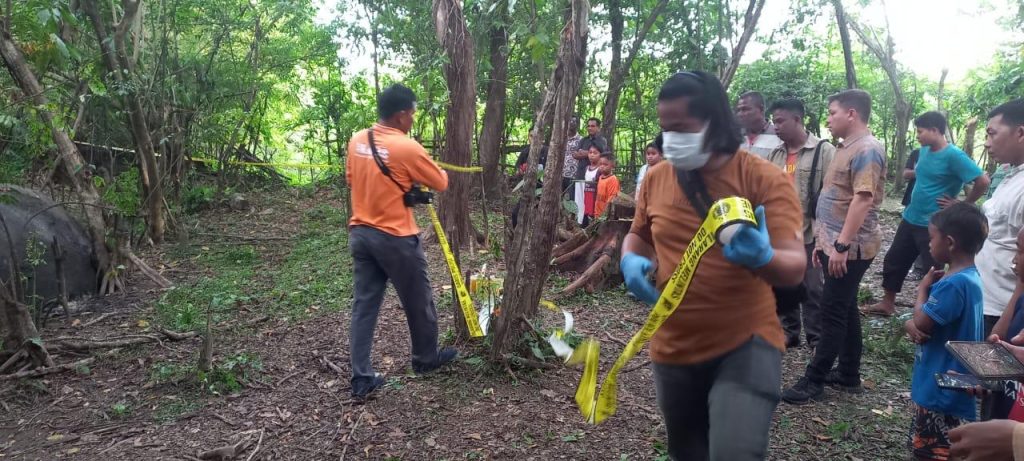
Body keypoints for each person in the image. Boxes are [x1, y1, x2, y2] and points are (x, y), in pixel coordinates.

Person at [621, 71, 805, 460]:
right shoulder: (656, 178)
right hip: (674, 347)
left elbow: (794, 267)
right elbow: (638, 234)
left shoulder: (764, 180)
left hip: (745, 343)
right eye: (664, 128)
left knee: (734, 452)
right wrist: (630, 259)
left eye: (681, 127)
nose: (670, 138)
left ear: (714, 121)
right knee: (687, 451)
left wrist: (766, 258)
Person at [345, 84, 458, 399]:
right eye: (412, 113)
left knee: (364, 306)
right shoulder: (406, 147)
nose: (413, 118)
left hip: (361, 234)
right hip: (395, 237)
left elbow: (352, 180)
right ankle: (425, 358)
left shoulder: (357, 141)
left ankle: (361, 377)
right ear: (400, 115)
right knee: (418, 300)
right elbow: (441, 181)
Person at [782, 89, 886, 404]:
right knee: (845, 306)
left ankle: (814, 380)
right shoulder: (845, 147)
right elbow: (834, 196)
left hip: (851, 248)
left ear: (851, 114)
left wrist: (840, 246)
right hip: (834, 243)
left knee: (832, 310)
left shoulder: (867, 149)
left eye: (832, 112)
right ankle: (849, 373)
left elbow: (863, 198)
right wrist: (823, 242)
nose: (828, 118)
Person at [865, 112, 990, 317]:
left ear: (935, 130)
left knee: (933, 268)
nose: (917, 136)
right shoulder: (923, 151)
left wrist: (962, 204)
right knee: (895, 259)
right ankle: (887, 303)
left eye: (920, 131)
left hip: (933, 224)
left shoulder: (954, 155)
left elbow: (982, 180)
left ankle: (930, 312)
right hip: (911, 216)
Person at [902, 203, 987, 461]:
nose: (929, 245)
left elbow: (923, 322)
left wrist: (922, 290)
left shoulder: (952, 284)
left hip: (940, 390)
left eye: (931, 239)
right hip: (953, 385)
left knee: (932, 453)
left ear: (949, 242)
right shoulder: (971, 278)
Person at [766, 98, 836, 349]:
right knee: (783, 282)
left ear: (797, 119)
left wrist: (826, 235)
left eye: (780, 121)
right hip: (780, 232)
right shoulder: (776, 153)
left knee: (814, 287)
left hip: (811, 231)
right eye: (774, 122)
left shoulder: (824, 151)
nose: (776, 127)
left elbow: (833, 193)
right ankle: (789, 330)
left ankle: (816, 338)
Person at [977, 99, 1024, 338]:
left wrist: (1006, 321)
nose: (986, 142)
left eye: (992, 134)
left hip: (1001, 311)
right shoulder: (1011, 174)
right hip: (985, 299)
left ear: (1020, 133)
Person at [736, 91, 782, 158]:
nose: (740, 114)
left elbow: (789, 166)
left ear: (761, 109)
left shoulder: (779, 136)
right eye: (739, 110)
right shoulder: (735, 136)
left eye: (745, 109)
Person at [576, 145, 603, 226]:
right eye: (590, 152)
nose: (592, 155)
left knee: (594, 218)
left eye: (595, 153)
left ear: (600, 155)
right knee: (585, 218)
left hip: (595, 198)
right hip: (586, 197)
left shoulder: (600, 169)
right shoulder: (587, 168)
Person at [561, 116, 583, 197]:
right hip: (560, 174)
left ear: (577, 124)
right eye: (570, 121)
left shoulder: (581, 140)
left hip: (573, 175)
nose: (571, 123)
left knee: (571, 198)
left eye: (574, 122)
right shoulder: (562, 138)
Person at [594, 153, 620, 218]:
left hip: (606, 215)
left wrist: (605, 214)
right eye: (600, 164)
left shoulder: (613, 179)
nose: (602, 166)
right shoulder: (600, 177)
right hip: (598, 213)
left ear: (612, 165)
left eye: (605, 164)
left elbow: (611, 199)